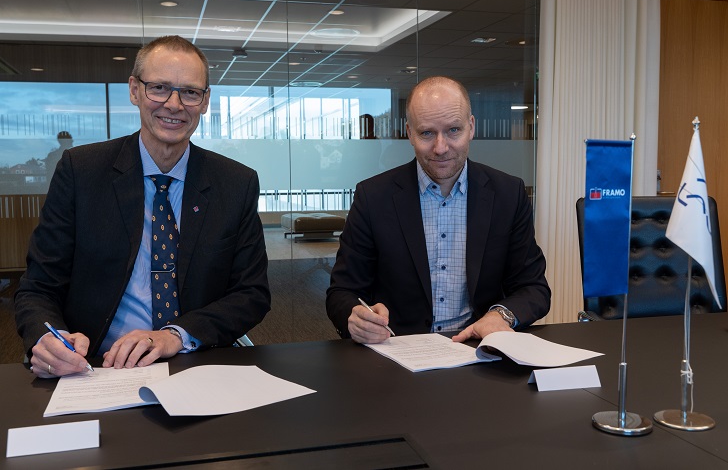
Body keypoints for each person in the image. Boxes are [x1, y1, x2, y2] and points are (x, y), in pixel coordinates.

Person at [15, 35, 271, 378]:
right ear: (134, 90)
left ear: (205, 101)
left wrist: (175, 335)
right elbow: (39, 287)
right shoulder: (81, 171)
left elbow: (251, 293)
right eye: (160, 88)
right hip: (94, 366)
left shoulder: (236, 183)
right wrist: (47, 338)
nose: (175, 104)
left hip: (196, 362)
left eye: (190, 92)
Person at [326, 76, 550, 344]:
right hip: (398, 352)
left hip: (478, 350)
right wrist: (356, 318)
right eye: (427, 133)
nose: (441, 148)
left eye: (454, 130)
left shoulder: (508, 194)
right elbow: (342, 291)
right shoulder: (373, 197)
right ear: (409, 133)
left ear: (471, 127)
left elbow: (533, 287)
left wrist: (500, 315)